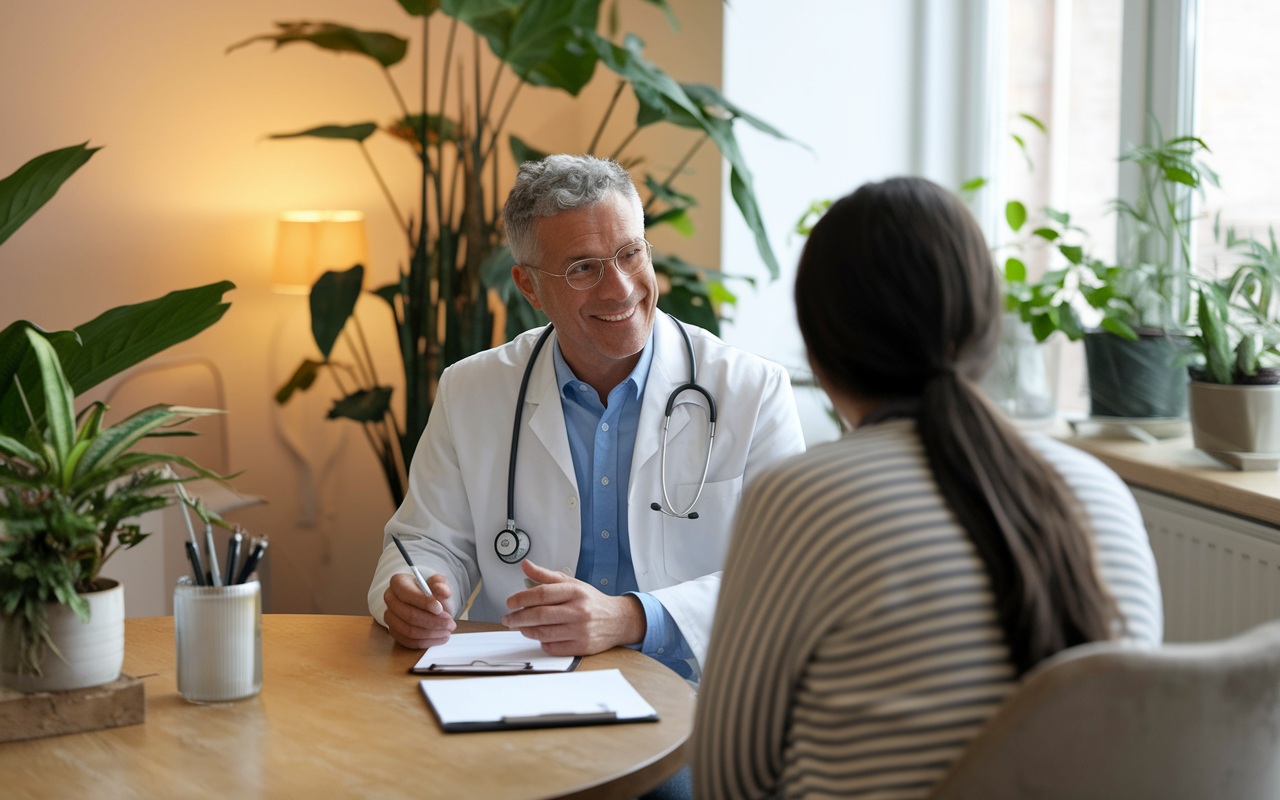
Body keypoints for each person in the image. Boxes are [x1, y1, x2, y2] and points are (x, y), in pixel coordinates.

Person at [692, 177, 1163, 799]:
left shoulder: (803, 500)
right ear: (986, 326)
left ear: (820, 345)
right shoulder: (1099, 491)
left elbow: (730, 784)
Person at [367, 154, 805, 683]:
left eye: (629, 254)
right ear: (529, 287)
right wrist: (414, 592)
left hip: (692, 699)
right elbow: (424, 541)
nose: (619, 288)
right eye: (583, 268)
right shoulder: (472, 390)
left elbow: (788, 576)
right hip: (519, 683)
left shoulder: (751, 391)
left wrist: (628, 617)